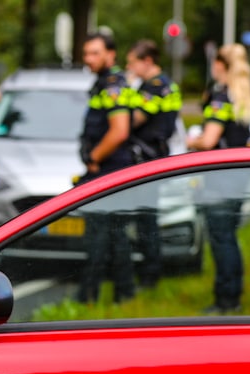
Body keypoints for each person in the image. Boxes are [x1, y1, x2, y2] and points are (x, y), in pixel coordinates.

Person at [187, 43, 250, 314]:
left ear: (220, 65)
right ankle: (234, 296)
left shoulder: (220, 97)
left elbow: (210, 140)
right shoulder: (242, 96)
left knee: (221, 239)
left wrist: (193, 141)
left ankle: (224, 300)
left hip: (219, 178)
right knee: (230, 238)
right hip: (239, 176)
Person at [76, 31, 138, 304]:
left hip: (108, 170)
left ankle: (90, 295)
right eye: (86, 53)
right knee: (115, 235)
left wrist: (95, 159)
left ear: (111, 54)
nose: (88, 59)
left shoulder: (112, 84)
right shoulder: (103, 83)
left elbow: (119, 131)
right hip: (109, 168)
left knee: (100, 236)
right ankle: (123, 294)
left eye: (95, 53)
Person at [125, 39, 182, 288]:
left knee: (146, 218)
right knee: (147, 215)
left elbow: (133, 120)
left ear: (147, 61)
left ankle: (150, 274)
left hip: (147, 158)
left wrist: (126, 91)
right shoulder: (168, 85)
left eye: (132, 63)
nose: (130, 68)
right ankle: (150, 270)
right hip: (156, 154)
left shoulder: (153, 87)